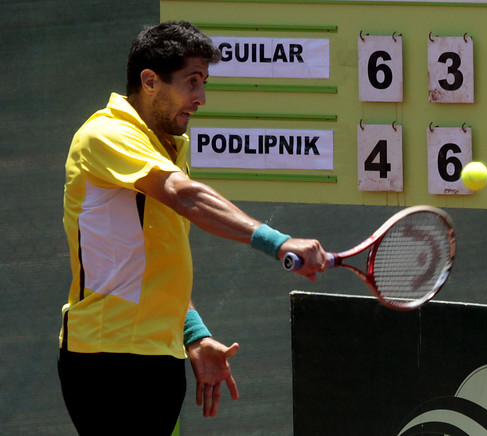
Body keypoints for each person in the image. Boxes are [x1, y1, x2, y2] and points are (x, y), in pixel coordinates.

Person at [57, 21, 329, 435]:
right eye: (191, 82)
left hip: (159, 356)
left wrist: (195, 335)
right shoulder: (106, 134)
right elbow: (186, 196)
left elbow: (154, 263)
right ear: (150, 81)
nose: (200, 98)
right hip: (107, 359)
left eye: (204, 82)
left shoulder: (168, 146)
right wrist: (278, 243)